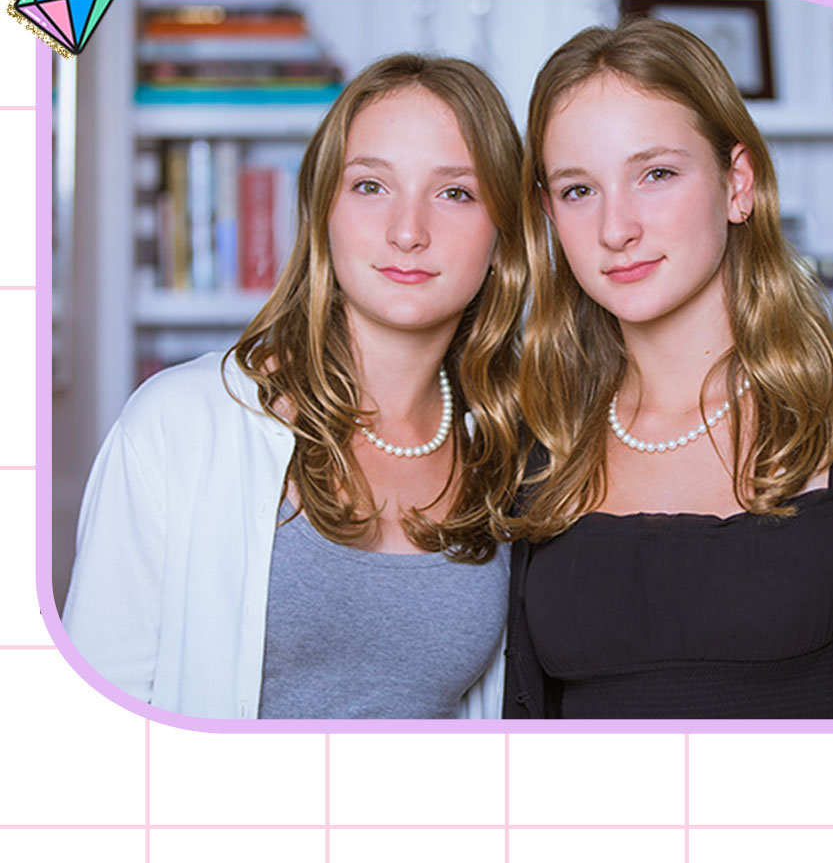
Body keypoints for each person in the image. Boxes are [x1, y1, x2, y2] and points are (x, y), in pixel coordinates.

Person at [63, 54, 527, 720]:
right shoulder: (180, 424)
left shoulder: (509, 446)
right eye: (371, 186)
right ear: (323, 210)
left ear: (503, 233)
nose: (407, 231)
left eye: (455, 192)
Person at [504, 19, 833, 719]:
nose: (616, 229)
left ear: (739, 183)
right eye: (578, 190)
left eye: (656, 174)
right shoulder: (543, 441)